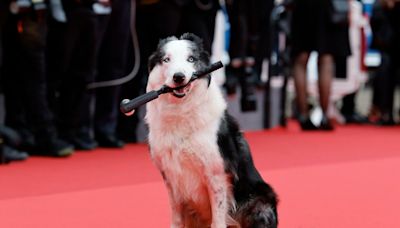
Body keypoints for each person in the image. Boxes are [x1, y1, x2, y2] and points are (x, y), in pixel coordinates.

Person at [2, 0, 74, 157]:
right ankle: (37, 136)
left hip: (32, 13)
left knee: (27, 78)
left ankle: (26, 136)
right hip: (23, 14)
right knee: (28, 79)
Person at [290, 0, 351, 130]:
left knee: (301, 57)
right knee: (326, 58)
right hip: (329, 5)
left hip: (305, 6)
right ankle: (324, 115)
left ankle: (303, 114)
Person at [369, 0, 400, 125]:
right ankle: (384, 111)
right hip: (389, 37)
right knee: (386, 71)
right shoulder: (381, 7)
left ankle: (384, 111)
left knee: (386, 69)